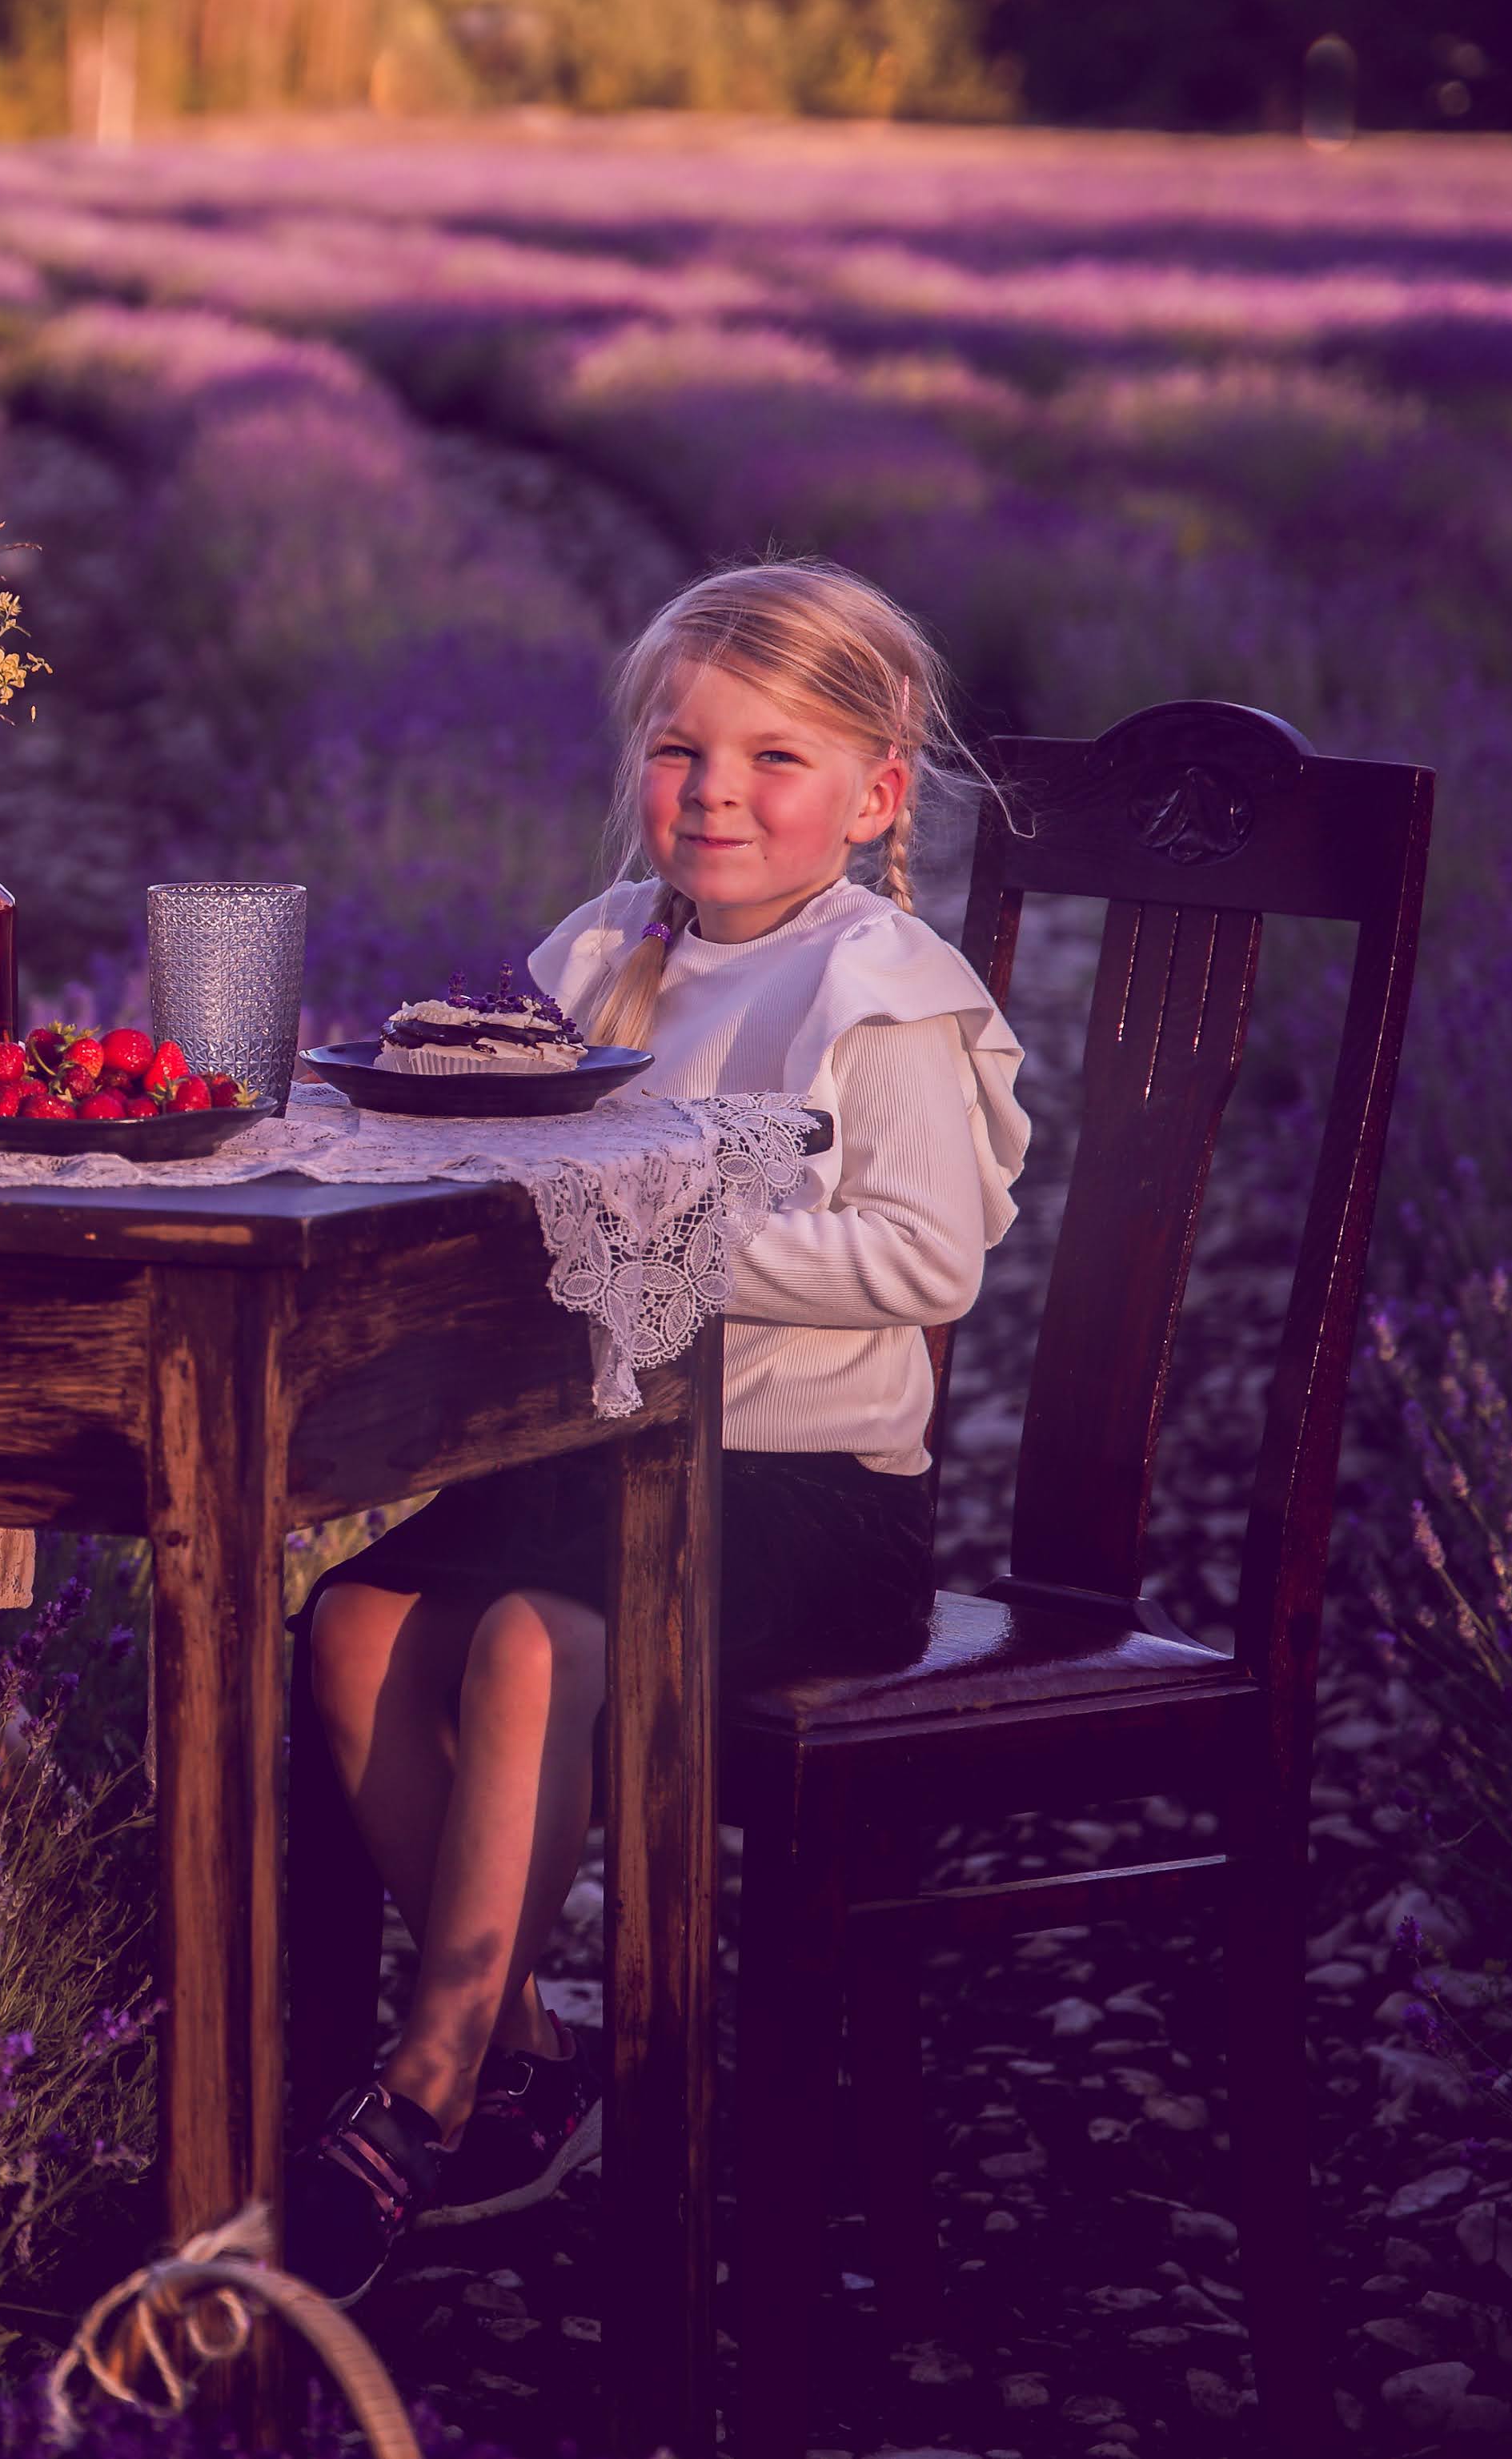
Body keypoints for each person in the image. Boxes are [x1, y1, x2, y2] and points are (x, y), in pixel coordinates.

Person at [287, 560, 1031, 2301]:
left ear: (877, 791)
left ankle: (421, 2091)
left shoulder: (881, 991)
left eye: (776, 757)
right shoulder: (604, 948)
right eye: (679, 750)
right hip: (592, 1463)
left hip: (803, 1507)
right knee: (350, 1623)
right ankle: (538, 2057)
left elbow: (928, 1255)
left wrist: (665, 1237)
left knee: (538, 1647)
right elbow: (519, 1132)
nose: (715, 793)